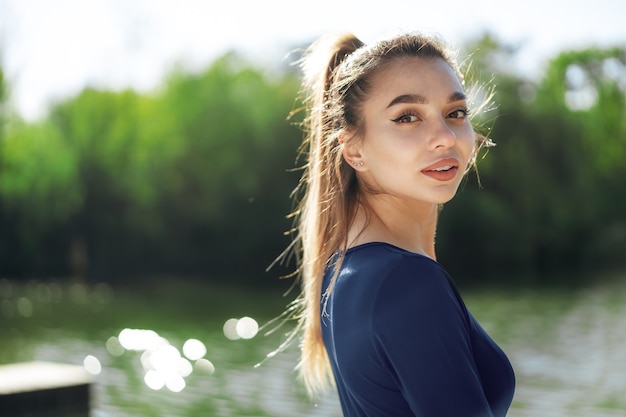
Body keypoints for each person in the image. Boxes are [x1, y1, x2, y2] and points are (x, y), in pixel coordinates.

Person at [279, 31, 515, 417]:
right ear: (354, 150)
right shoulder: (408, 282)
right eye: (407, 117)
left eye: (455, 113)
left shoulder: (343, 270)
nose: (444, 137)